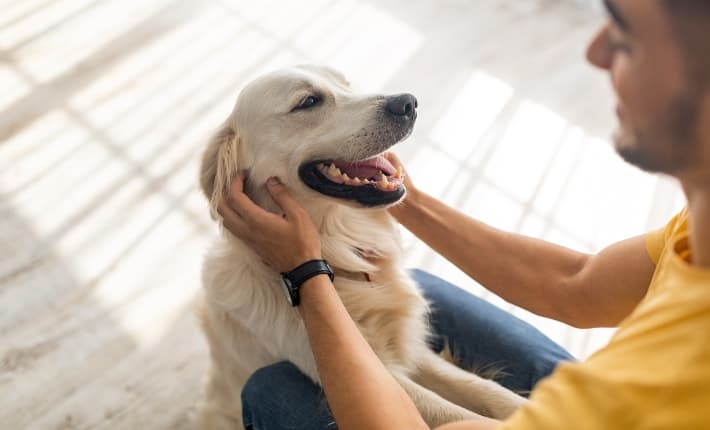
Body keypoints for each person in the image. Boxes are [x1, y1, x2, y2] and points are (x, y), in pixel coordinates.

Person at [216, 0, 710, 428]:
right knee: (422, 294)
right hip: (610, 392)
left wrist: (306, 274)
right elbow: (576, 282)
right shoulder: (694, 229)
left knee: (272, 390)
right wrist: (402, 195)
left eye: (627, 34)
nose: (594, 51)